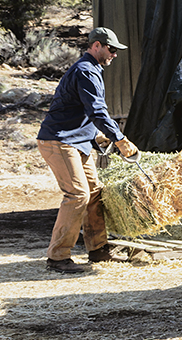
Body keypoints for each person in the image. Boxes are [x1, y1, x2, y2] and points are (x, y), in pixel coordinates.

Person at [36, 27, 139, 273]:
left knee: (94, 192)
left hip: (75, 142)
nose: (114, 54)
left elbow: (81, 112)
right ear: (96, 46)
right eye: (111, 49)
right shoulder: (85, 71)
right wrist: (120, 139)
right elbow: (97, 112)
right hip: (59, 141)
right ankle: (57, 258)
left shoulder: (92, 70)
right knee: (78, 195)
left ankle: (98, 250)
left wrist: (95, 136)